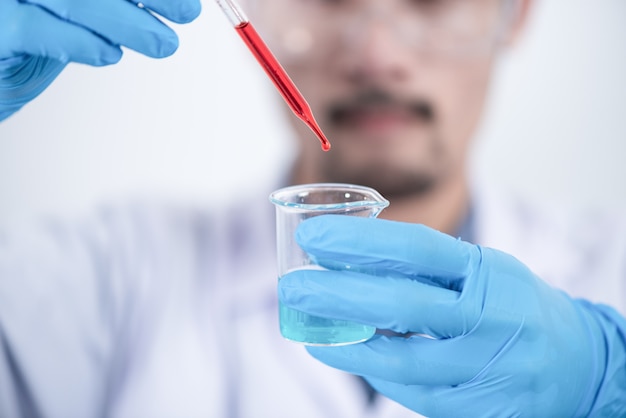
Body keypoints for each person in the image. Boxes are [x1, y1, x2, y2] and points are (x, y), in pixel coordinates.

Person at [1, 0, 625, 416]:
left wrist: (609, 386)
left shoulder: (610, 274)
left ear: (513, 15)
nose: (377, 55)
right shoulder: (112, 274)